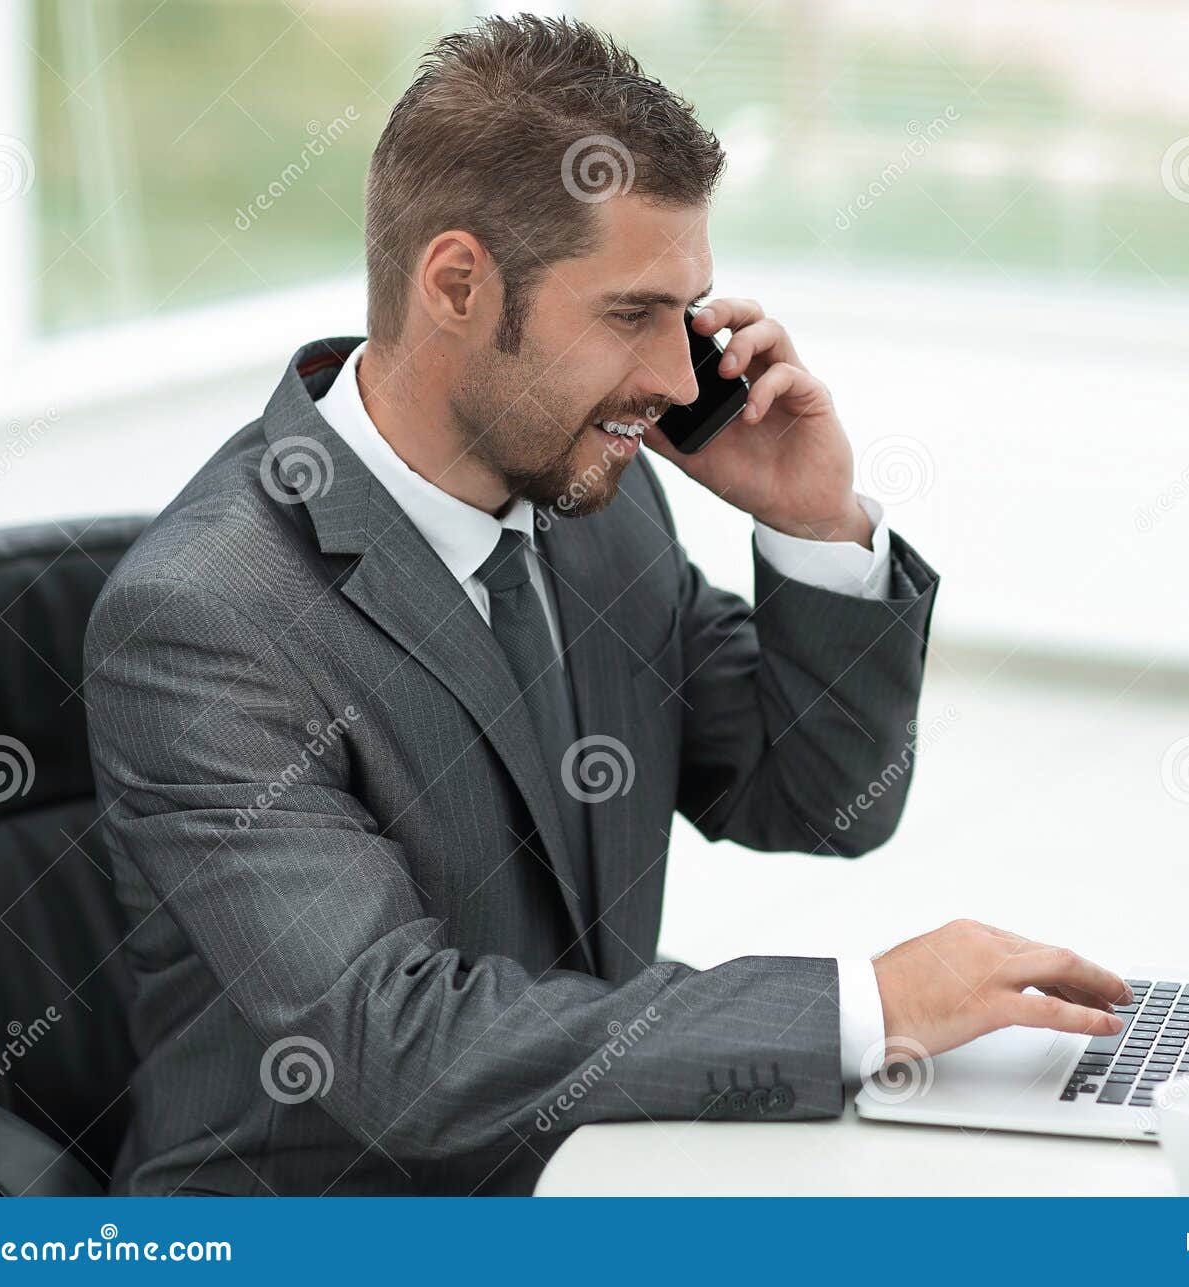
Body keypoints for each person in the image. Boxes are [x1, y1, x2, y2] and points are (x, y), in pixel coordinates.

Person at [85, 14, 1128, 1197]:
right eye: (633, 315)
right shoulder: (205, 619)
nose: (684, 383)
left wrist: (813, 527)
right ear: (459, 285)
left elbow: (822, 799)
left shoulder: (599, 510)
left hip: (603, 1165)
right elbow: (399, 1048)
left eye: (688, 315)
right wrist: (866, 1006)